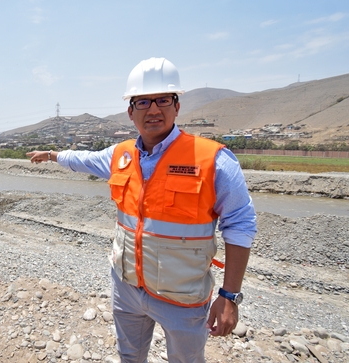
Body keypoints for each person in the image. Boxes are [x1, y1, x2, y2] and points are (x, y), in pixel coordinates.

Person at [26, 57, 256, 363]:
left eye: (163, 100)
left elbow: (240, 225)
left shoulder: (213, 160)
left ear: (177, 106)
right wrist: (53, 155)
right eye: (143, 101)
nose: (153, 109)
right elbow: (84, 159)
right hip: (127, 289)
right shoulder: (119, 155)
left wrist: (229, 297)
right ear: (130, 111)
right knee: (129, 357)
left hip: (183, 299)